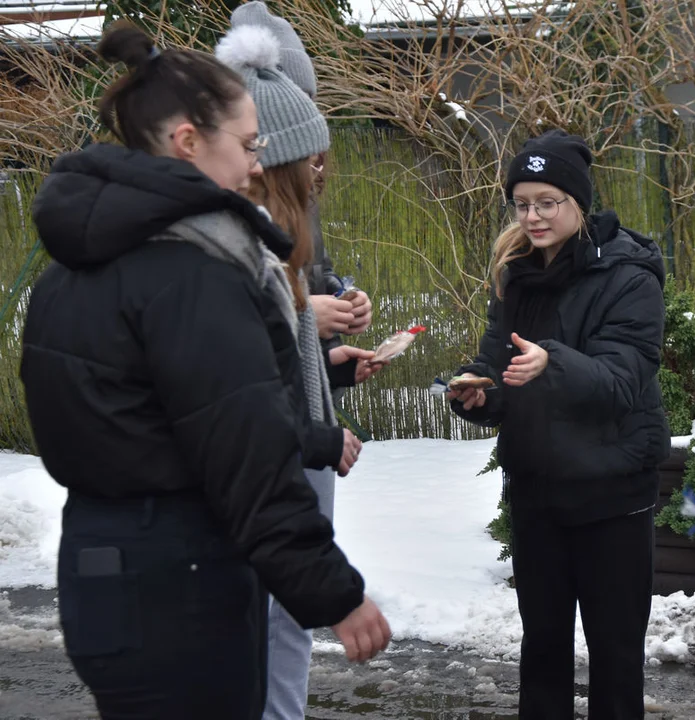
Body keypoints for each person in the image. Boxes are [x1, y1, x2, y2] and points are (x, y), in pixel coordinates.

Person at [19, 21, 389, 720]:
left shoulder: (73, 266)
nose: (256, 167)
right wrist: (334, 592)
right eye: (248, 147)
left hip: (103, 578)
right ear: (189, 142)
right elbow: (248, 461)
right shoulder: (192, 275)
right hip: (182, 595)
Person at [448, 130, 671, 719]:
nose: (534, 216)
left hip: (612, 495)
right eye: (523, 204)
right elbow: (499, 363)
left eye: (548, 202)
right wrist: (478, 392)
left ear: (579, 201)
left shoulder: (630, 275)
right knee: (542, 649)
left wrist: (553, 363)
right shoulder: (516, 273)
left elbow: (625, 380)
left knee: (615, 654)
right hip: (538, 492)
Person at [214, 23, 380, 720]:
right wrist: (298, 309)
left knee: (284, 624)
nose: (321, 173)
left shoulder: (289, 228)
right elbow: (234, 390)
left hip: (299, 449)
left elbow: (275, 366)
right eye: (309, 160)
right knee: (264, 621)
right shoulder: (229, 248)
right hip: (276, 465)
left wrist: (329, 360)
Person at [231, 0, 374, 396]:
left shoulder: (302, 193)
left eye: (311, 101)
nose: (308, 113)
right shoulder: (228, 221)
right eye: (297, 101)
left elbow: (315, 271)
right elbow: (227, 340)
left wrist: (343, 298)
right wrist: (306, 316)